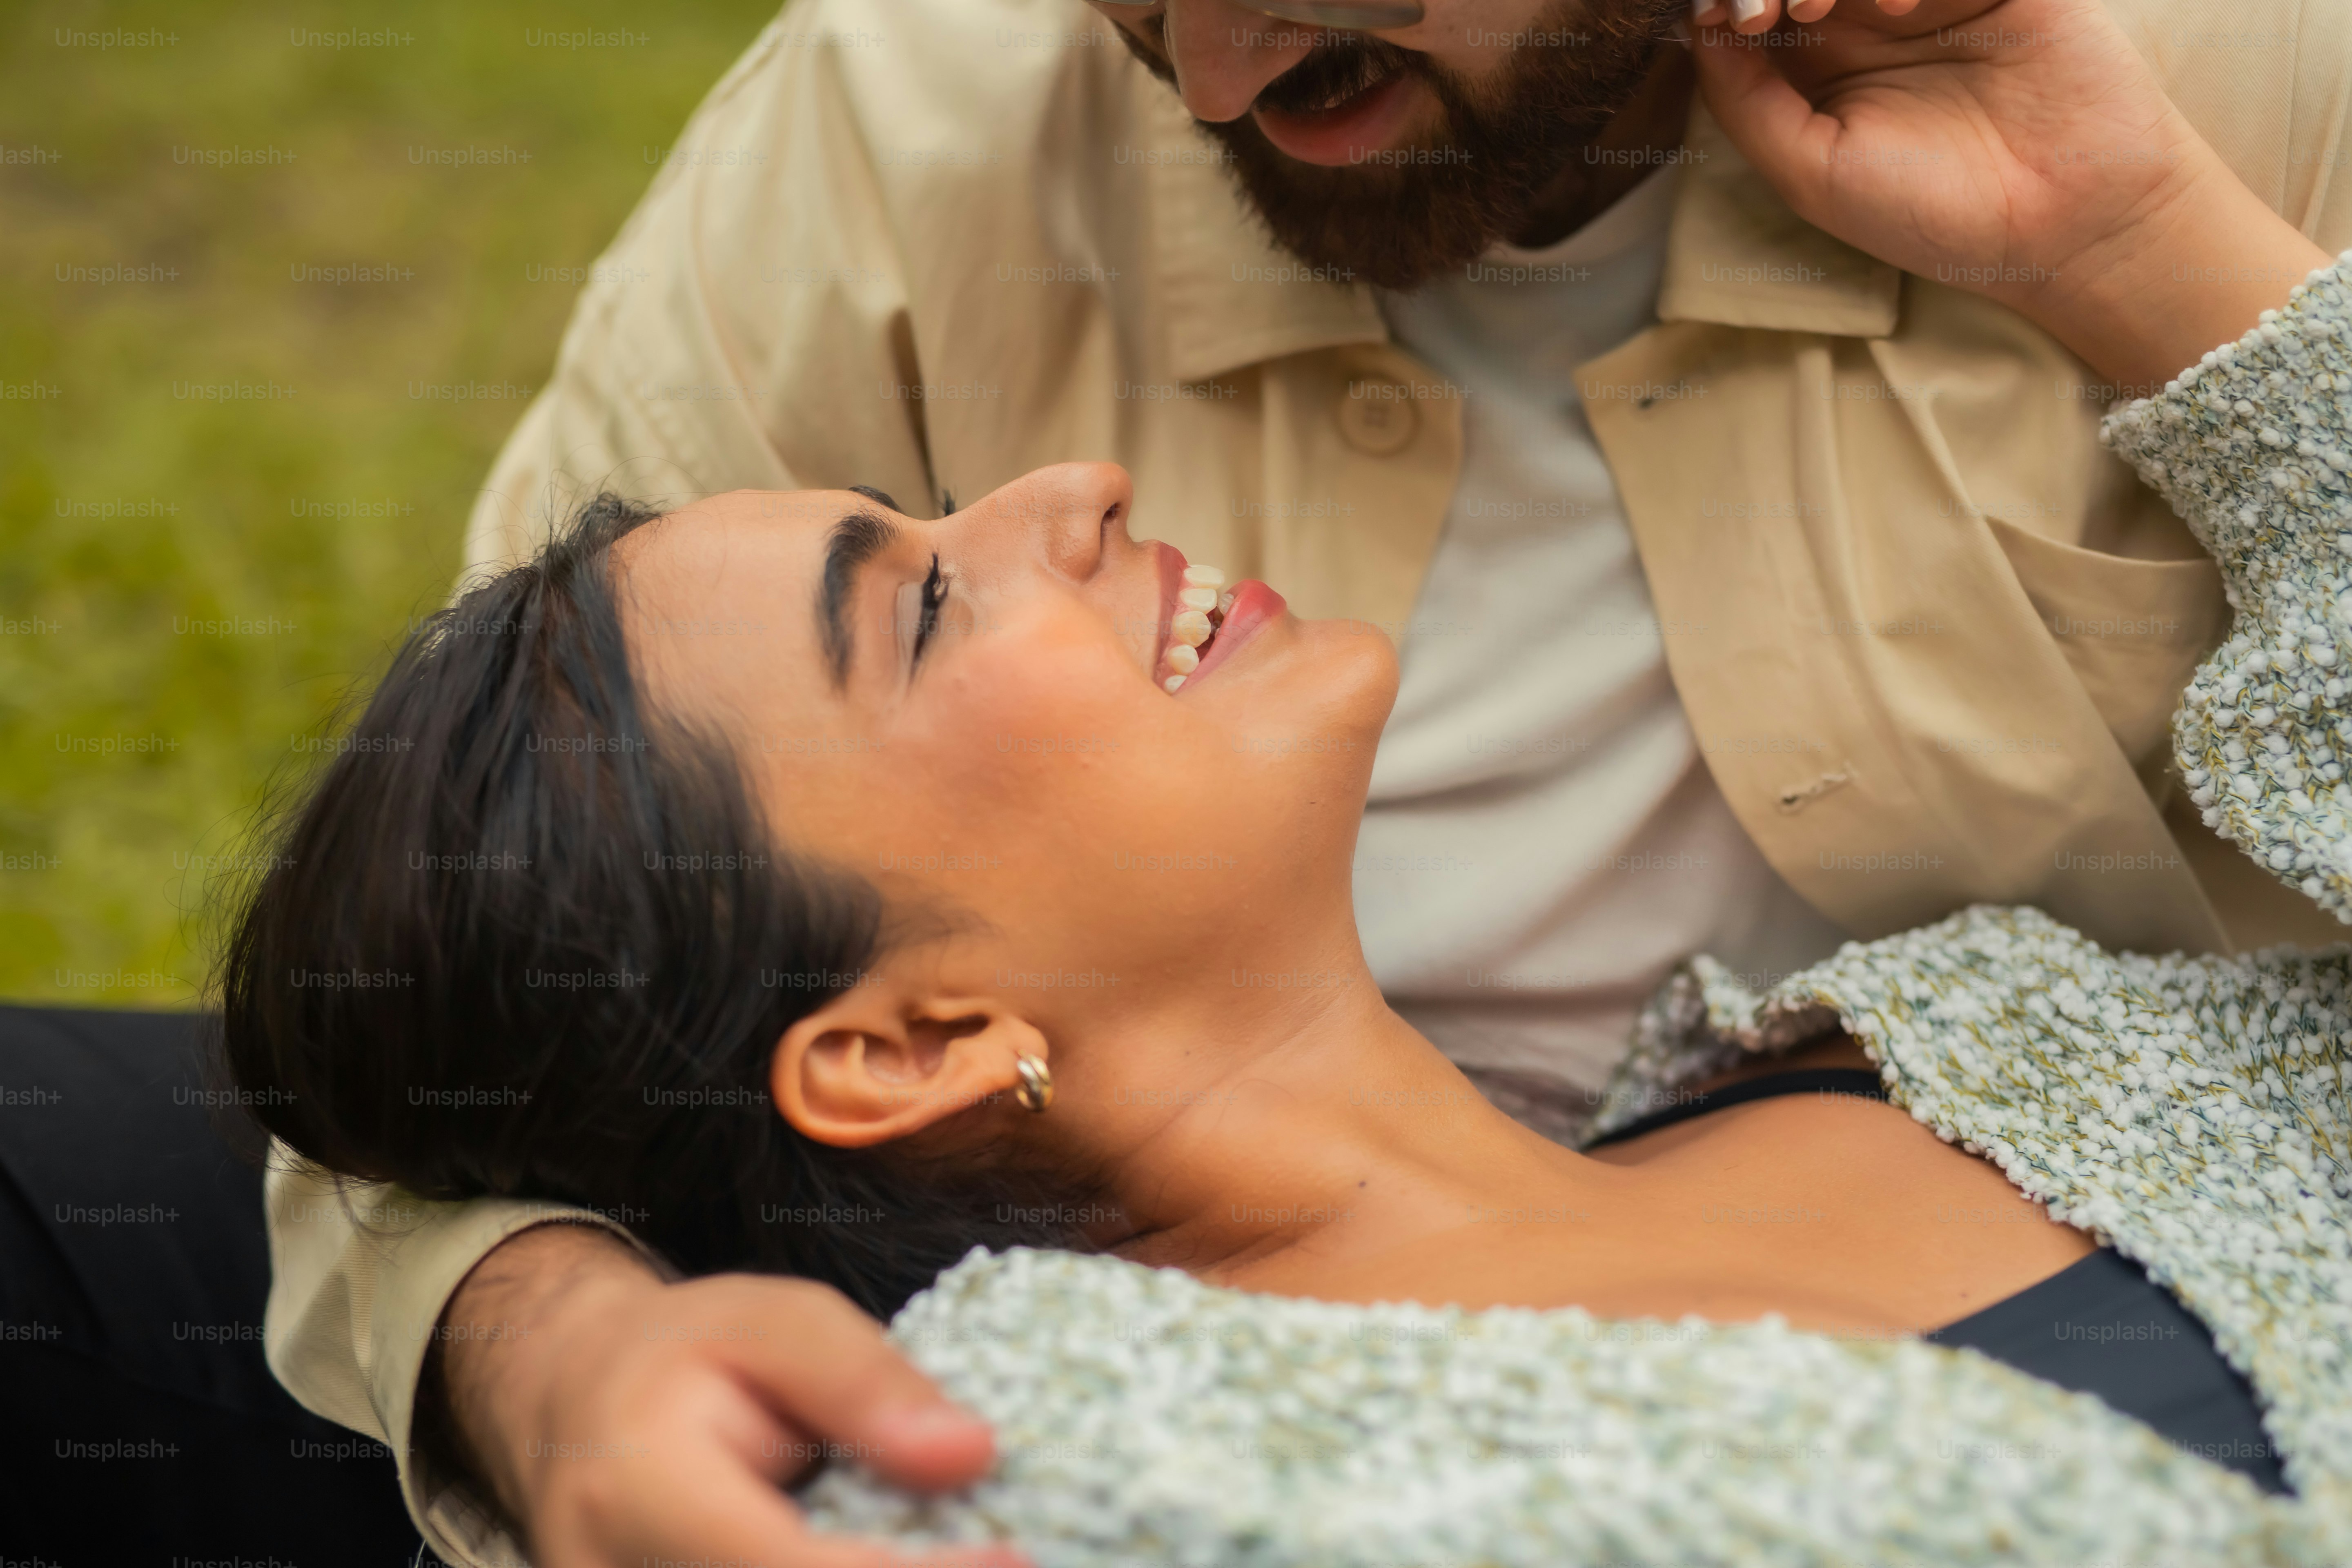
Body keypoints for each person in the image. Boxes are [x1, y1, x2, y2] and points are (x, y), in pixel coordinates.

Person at [249, 0, 2352, 1560]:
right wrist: (548, 1356)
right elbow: (484, 984)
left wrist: (2156, 249)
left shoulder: (2011, 1039)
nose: (1226, 75)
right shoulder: (1108, 1473)